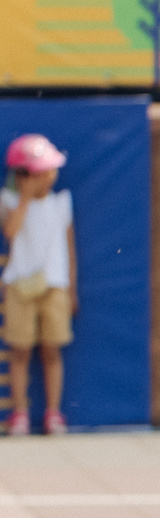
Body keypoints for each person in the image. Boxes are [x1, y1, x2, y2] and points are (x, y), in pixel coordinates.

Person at [2, 134, 75, 435]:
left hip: (54, 285)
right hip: (20, 286)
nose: (46, 178)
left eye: (48, 171)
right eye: (37, 173)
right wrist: (24, 199)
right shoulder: (8, 201)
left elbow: (70, 248)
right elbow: (11, 233)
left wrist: (72, 288)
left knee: (52, 350)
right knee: (20, 350)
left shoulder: (61, 203)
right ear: (21, 176)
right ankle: (20, 412)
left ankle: (53, 413)